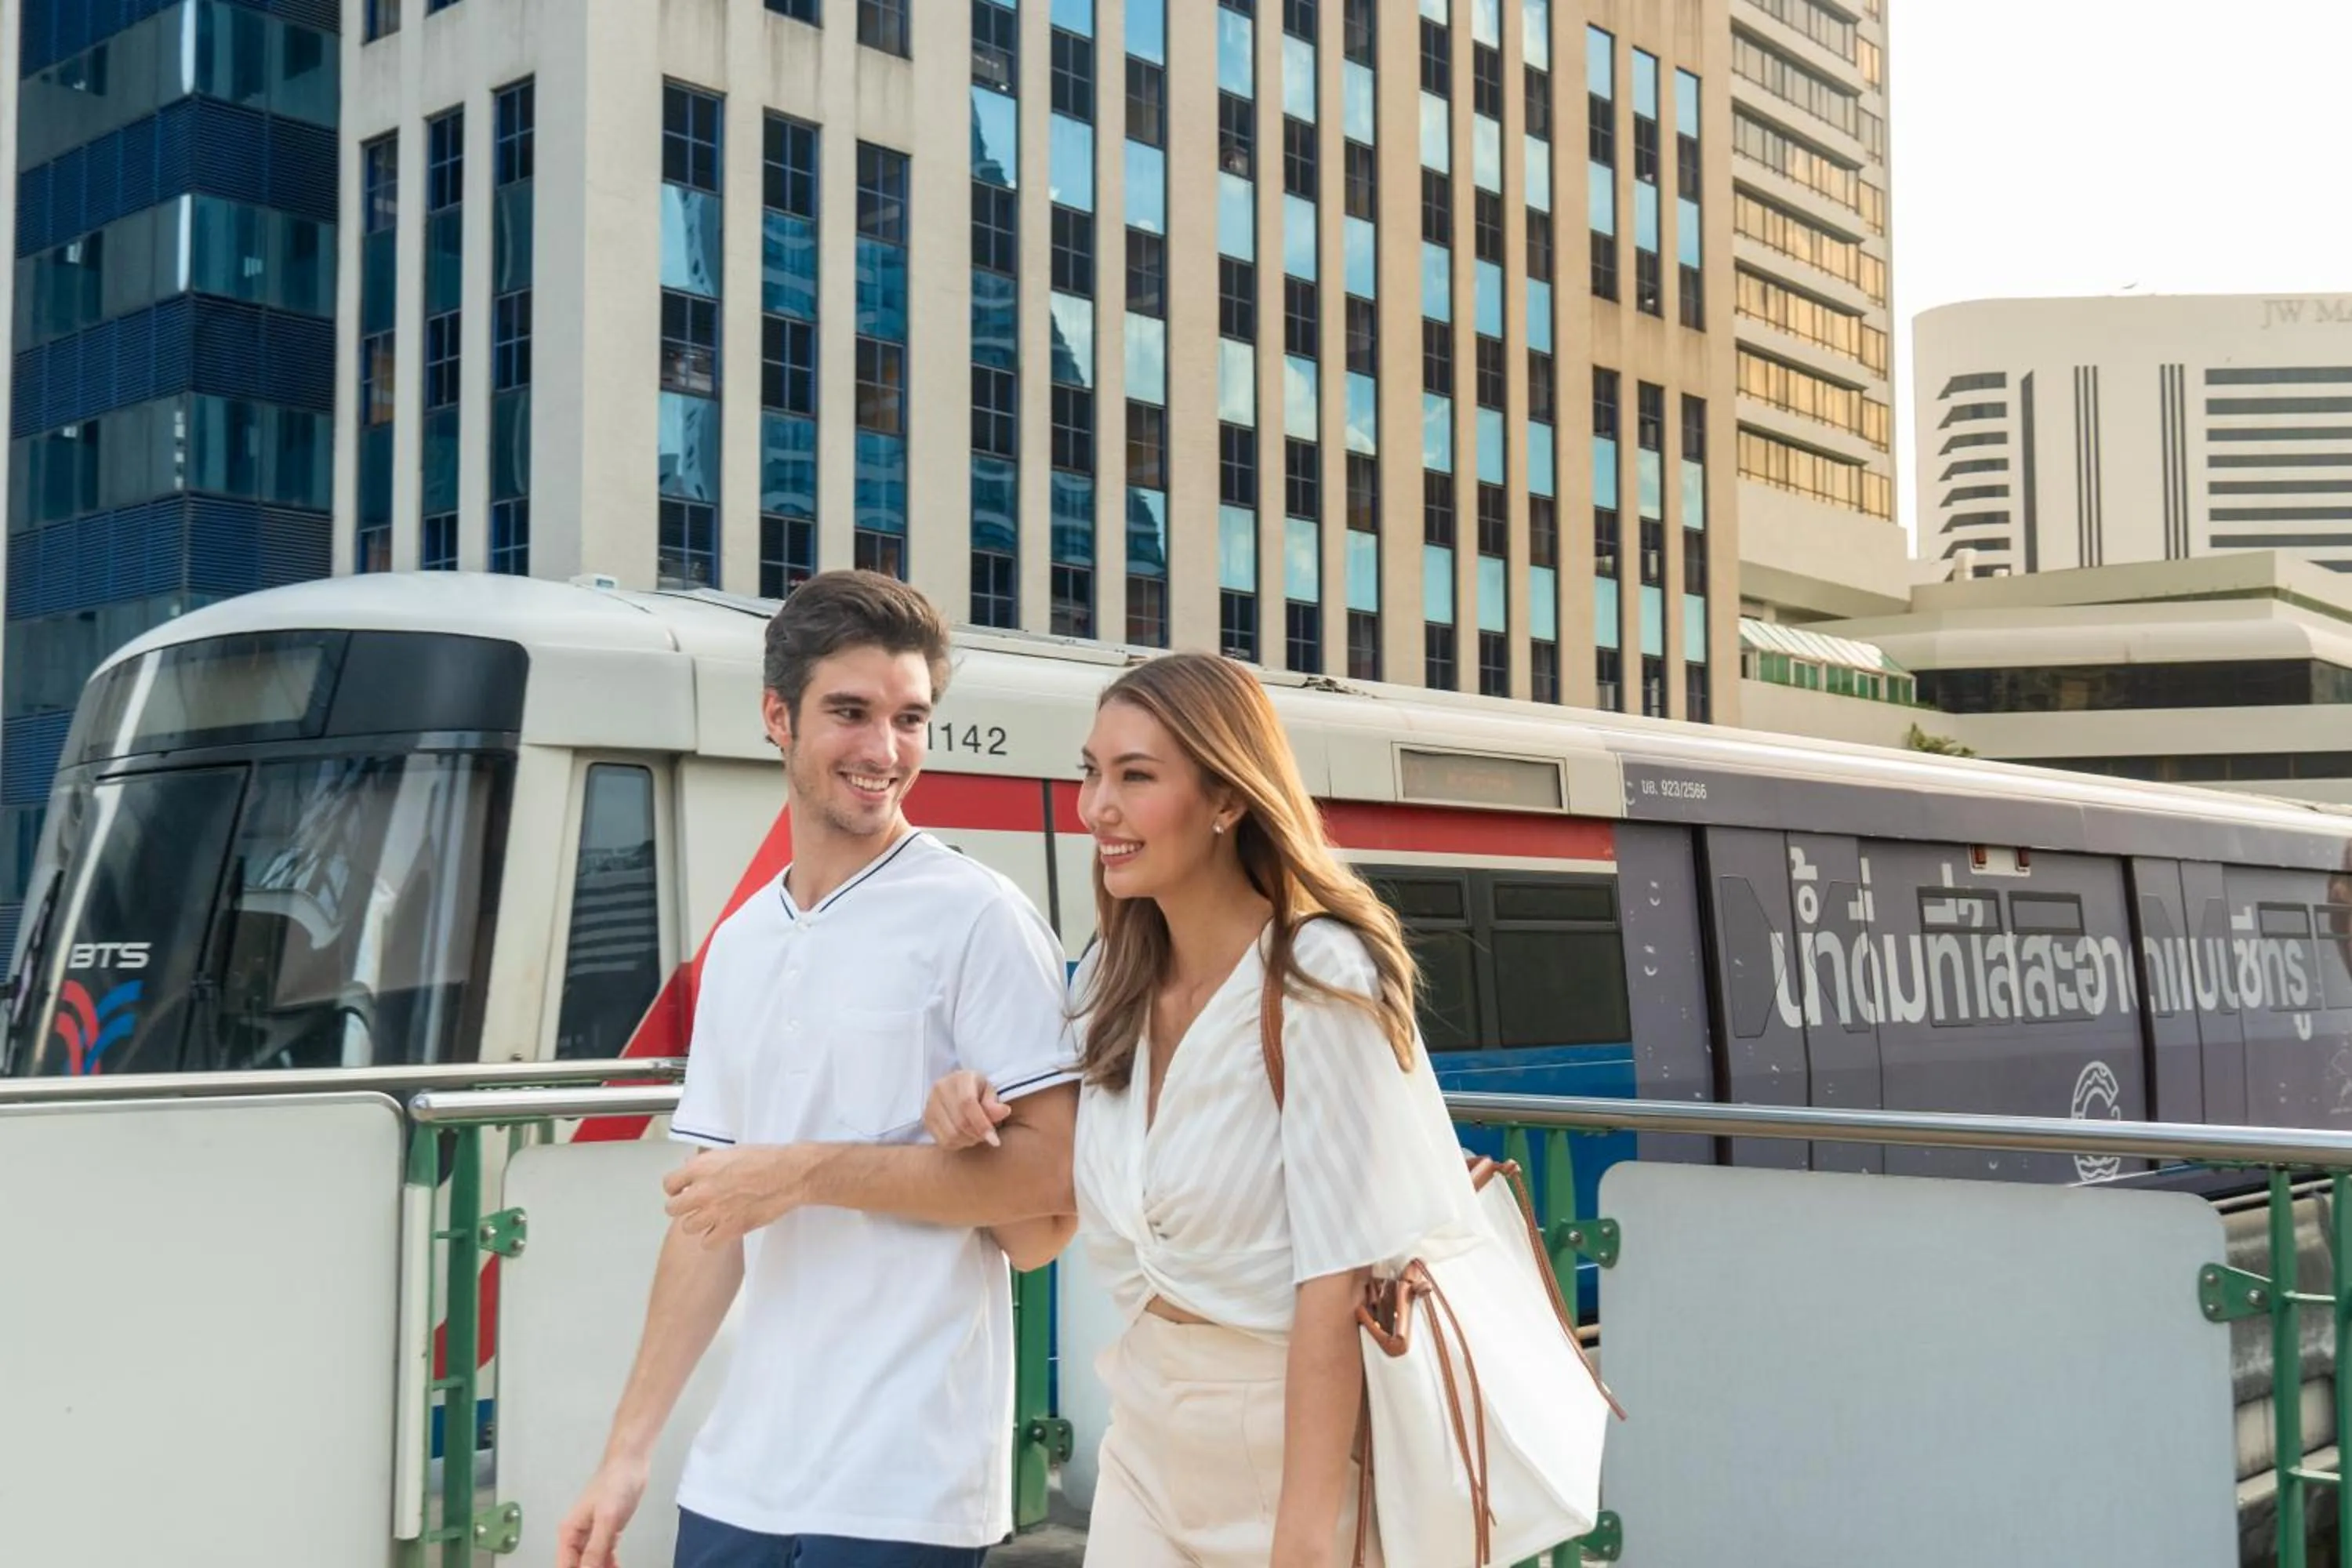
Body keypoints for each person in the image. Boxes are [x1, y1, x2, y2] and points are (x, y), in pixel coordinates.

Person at [557, 570, 1081, 1568]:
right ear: (777, 716)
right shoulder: (741, 941)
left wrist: (799, 1170)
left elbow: (1051, 1185)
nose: (885, 750)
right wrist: (626, 1455)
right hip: (739, 1472)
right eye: (850, 711)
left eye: (910, 718)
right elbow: (710, 1222)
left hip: (908, 1484)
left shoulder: (981, 917)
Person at [924, 652, 1485, 1568]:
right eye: (1090, 771)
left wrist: (1300, 1546)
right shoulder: (1107, 980)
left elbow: (1333, 1287)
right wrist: (968, 1127)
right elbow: (1036, 1241)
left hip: (1290, 1444)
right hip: (1145, 1434)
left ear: (1227, 798)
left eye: (1135, 776)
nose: (1095, 806)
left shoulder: (1319, 977)